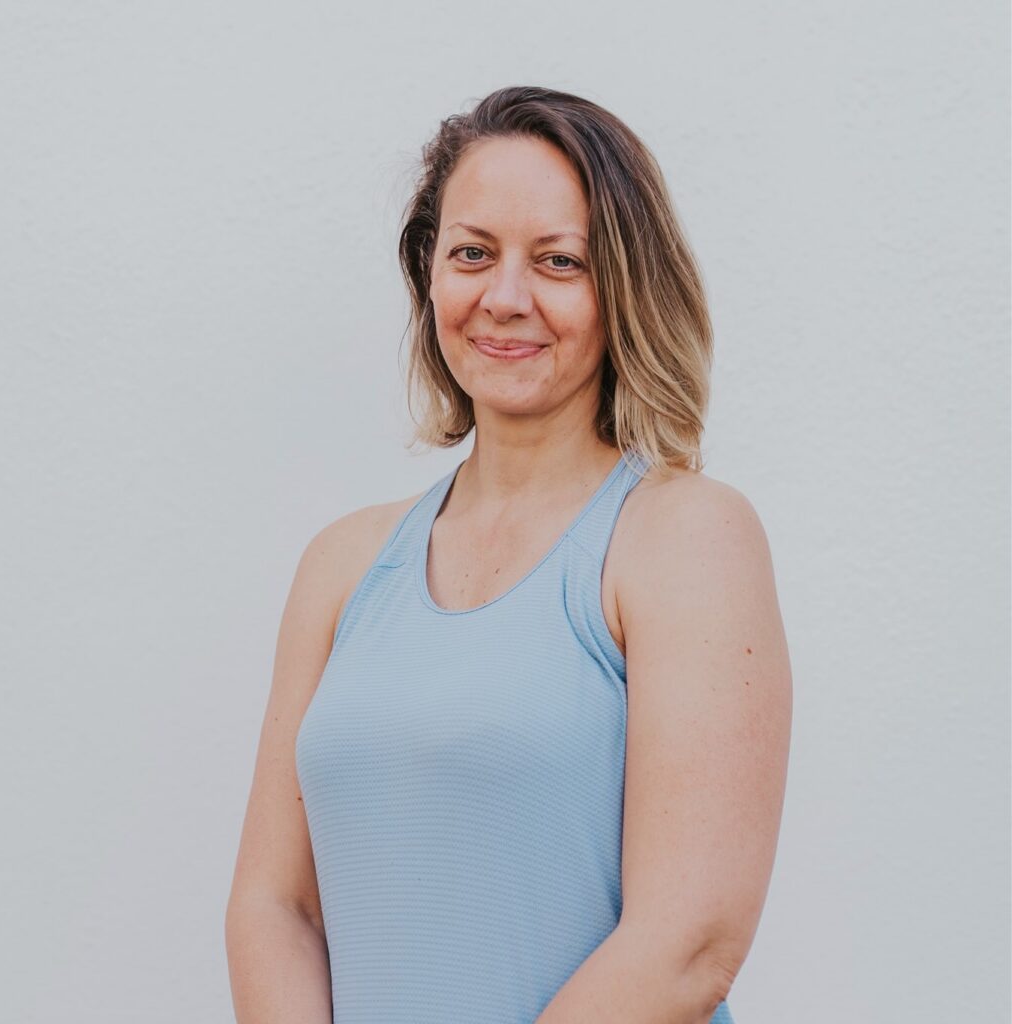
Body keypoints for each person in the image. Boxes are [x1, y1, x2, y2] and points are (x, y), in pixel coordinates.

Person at [225, 85, 792, 1024]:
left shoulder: (686, 538)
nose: (505, 297)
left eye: (558, 261)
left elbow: (691, 943)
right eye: (473, 253)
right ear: (430, 276)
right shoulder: (342, 563)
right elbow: (275, 905)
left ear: (624, 287)